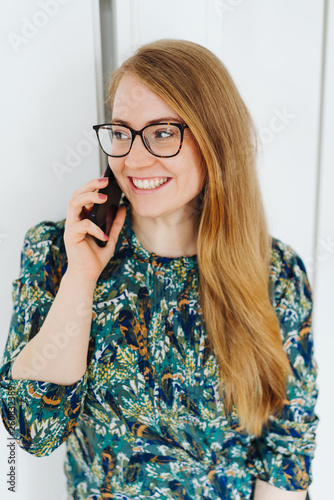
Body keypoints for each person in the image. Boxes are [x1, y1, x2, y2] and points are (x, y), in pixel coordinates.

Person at [0, 39, 318, 500]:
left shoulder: (276, 272)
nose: (134, 159)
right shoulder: (57, 251)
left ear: (214, 140)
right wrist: (81, 278)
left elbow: (287, 451)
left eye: (163, 133)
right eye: (123, 132)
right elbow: (34, 430)